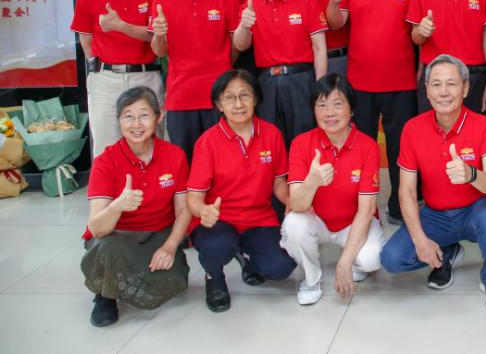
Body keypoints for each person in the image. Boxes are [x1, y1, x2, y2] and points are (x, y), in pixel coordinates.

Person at [379, 55, 486, 313]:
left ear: (465, 89)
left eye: (451, 84)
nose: (443, 92)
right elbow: (406, 190)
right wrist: (421, 241)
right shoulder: (412, 129)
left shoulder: (485, 126)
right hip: (435, 215)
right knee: (392, 259)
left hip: (476, 210)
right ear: (427, 91)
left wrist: (471, 174)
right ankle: (446, 253)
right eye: (436, 84)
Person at [327, 0, 418, 224]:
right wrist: (333, 1)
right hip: (360, 82)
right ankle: (363, 209)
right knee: (360, 151)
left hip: (401, 81)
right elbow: (337, 23)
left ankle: (400, 206)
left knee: (400, 150)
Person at [186, 70, 296, 313]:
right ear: (219, 104)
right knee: (218, 245)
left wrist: (290, 200)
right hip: (219, 220)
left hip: (259, 219)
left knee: (281, 267)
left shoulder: (271, 134)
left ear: (255, 99)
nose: (238, 104)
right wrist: (203, 211)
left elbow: (279, 182)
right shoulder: (207, 142)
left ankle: (249, 261)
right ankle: (214, 277)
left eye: (245, 95)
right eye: (229, 98)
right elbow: (193, 198)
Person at [82, 86, 190, 327]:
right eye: (128, 116)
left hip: (157, 234)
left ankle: (124, 277)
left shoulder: (175, 155)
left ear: (158, 117)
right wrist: (117, 206)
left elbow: (183, 210)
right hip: (116, 237)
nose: (136, 124)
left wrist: (170, 247)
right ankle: (105, 294)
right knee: (107, 249)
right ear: (119, 121)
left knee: (176, 279)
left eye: (144, 115)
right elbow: (97, 228)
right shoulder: (105, 162)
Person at [282, 73, 383, 305]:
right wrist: (313, 181)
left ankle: (353, 261)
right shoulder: (301, 144)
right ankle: (311, 279)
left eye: (338, 104)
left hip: (352, 222)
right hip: (316, 220)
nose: (329, 113)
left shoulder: (368, 146)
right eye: (322, 105)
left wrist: (343, 264)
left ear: (352, 109)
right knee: (293, 224)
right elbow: (296, 204)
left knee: (372, 259)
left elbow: (366, 210)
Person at [71, 0, 164, 156]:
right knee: (106, 146)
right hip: (106, 79)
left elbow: (157, 37)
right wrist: (100, 69)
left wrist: (120, 26)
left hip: (146, 76)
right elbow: (86, 39)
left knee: (153, 144)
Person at [150, 0, 239, 159]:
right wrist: (159, 34)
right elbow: (159, 51)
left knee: (223, 160)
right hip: (181, 96)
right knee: (184, 162)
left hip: (219, 97)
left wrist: (221, 66)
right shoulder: (162, 0)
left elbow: (236, 45)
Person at [233, 0, 327, 145]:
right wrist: (244, 26)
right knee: (270, 142)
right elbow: (241, 46)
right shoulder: (250, 4)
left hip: (301, 79)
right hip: (266, 82)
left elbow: (319, 47)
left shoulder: (307, 0)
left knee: (305, 140)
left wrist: (320, 86)